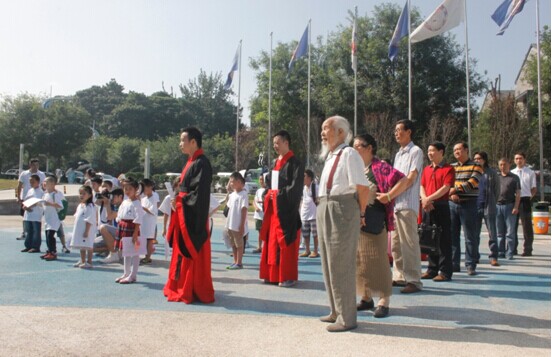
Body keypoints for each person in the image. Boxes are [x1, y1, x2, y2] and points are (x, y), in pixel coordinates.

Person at [317, 116, 372, 333]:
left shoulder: (349, 154)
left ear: (341, 132)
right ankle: (335, 310)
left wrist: (361, 213)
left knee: (341, 264)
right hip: (325, 206)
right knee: (328, 263)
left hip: (342, 208)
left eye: (326, 128)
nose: (322, 133)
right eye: (322, 129)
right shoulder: (330, 156)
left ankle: (347, 317)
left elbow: (362, 188)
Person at [353, 133, 406, 318]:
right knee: (360, 261)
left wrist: (389, 195)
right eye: (353, 145)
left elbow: (403, 179)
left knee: (378, 261)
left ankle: (384, 300)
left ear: (369, 148)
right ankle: (367, 297)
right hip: (356, 221)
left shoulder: (380, 167)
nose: (354, 149)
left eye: (358, 145)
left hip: (375, 220)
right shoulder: (355, 169)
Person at [164, 127, 215, 304]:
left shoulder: (202, 163)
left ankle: (192, 288)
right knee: (180, 252)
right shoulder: (191, 162)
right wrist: (177, 200)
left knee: (192, 253)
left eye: (182, 140)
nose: (180, 144)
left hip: (193, 217)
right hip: (183, 213)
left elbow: (199, 195)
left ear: (193, 142)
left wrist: (180, 202)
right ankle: (179, 285)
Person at [259, 130, 304, 288]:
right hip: (274, 210)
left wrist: (277, 195)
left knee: (283, 242)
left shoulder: (295, 163)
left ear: (286, 143)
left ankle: (286, 276)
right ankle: (271, 274)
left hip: (286, 211)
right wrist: (268, 194)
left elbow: (296, 188)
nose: (275, 146)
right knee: (271, 242)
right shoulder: (274, 162)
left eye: (278, 143)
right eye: (274, 144)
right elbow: (270, 184)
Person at [388, 119, 424, 294]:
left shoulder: (415, 151)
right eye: (395, 130)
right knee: (396, 244)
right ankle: (399, 275)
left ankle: (414, 280)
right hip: (396, 204)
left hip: (407, 203)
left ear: (409, 132)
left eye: (399, 130)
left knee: (409, 243)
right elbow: (395, 178)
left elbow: (410, 179)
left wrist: (390, 195)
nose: (396, 133)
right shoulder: (398, 154)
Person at [420, 142, 456, 281]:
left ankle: (445, 271)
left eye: (433, 151)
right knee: (429, 238)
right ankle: (431, 269)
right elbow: (422, 185)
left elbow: (446, 188)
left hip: (440, 206)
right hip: (427, 206)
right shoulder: (427, 169)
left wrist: (429, 199)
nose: (430, 153)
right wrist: (424, 199)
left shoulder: (448, 169)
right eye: (428, 151)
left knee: (444, 240)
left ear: (441, 152)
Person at [449, 142, 484, 276]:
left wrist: (455, 190)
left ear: (466, 150)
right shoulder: (451, 167)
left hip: (469, 204)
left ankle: (470, 264)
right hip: (452, 204)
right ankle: (454, 264)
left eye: (459, 149)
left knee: (470, 236)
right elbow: (447, 183)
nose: (457, 152)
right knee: (453, 236)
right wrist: (452, 195)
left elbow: (472, 183)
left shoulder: (476, 166)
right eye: (454, 150)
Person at [474, 151, 501, 266]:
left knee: (492, 233)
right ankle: (474, 256)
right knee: (474, 234)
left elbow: (497, 190)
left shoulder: (492, 173)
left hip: (488, 206)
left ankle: (494, 256)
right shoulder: (472, 172)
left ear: (484, 159)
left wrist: (493, 201)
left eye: (479, 158)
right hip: (475, 206)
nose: (477, 160)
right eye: (475, 159)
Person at [115, 178, 145, 284]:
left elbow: (139, 218)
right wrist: (119, 222)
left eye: (130, 189)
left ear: (136, 189)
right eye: (125, 188)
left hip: (132, 229)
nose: (127, 191)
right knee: (126, 252)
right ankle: (126, 273)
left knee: (135, 253)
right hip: (124, 228)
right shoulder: (125, 202)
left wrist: (135, 233)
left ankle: (133, 275)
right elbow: (119, 214)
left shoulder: (136, 203)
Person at [511, 152, 537, 257]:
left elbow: (534, 188)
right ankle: (512, 249)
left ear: (524, 160)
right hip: (513, 200)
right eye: (516, 158)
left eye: (520, 158)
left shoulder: (530, 172)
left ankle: (528, 249)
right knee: (512, 225)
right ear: (514, 160)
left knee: (527, 226)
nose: (518, 160)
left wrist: (528, 197)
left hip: (525, 200)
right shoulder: (512, 172)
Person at [496, 158, 521, 260]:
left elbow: (518, 194)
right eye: (501, 164)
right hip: (497, 206)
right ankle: (500, 251)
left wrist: (516, 206)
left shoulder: (514, 178)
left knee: (510, 232)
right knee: (499, 232)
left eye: (505, 164)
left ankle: (510, 252)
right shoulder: (496, 177)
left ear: (509, 165)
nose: (503, 166)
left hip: (509, 206)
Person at [16, 158, 46, 240]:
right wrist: (18, 197)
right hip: (26, 198)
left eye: (37, 165)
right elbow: (19, 186)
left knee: (36, 217)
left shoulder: (42, 174)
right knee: (25, 216)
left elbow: (44, 186)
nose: (35, 167)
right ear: (30, 165)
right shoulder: (24, 174)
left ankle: (35, 234)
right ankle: (24, 232)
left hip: (37, 199)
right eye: (34, 165)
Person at [224, 172, 249, 270]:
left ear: (239, 182)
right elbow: (228, 208)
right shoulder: (233, 195)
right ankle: (235, 261)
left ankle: (239, 263)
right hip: (230, 224)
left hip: (238, 225)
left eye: (232, 181)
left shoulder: (243, 195)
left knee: (239, 244)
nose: (230, 183)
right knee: (233, 244)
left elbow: (244, 210)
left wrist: (242, 225)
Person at [94, 188, 124, 263]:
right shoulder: (114, 205)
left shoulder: (123, 206)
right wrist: (102, 195)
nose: (112, 199)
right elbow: (96, 202)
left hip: (122, 233)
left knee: (103, 227)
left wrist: (107, 204)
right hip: (116, 232)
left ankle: (113, 254)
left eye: (114, 197)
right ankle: (111, 248)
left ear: (120, 197)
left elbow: (109, 217)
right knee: (91, 246)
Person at [71, 185, 97, 269]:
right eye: (80, 193)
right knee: (82, 245)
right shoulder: (81, 205)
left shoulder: (90, 207)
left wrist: (87, 231)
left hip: (87, 230)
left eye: (84, 194)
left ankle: (89, 262)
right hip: (80, 229)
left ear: (89, 195)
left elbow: (89, 220)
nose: (81, 195)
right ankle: (82, 260)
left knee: (88, 245)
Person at [41, 176, 64, 261]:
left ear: (52, 184)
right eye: (44, 182)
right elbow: (44, 205)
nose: (44, 184)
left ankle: (53, 252)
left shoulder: (55, 194)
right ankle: (49, 251)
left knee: (50, 236)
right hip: (47, 219)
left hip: (54, 219)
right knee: (47, 236)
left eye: (46, 182)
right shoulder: (45, 194)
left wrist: (49, 204)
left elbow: (60, 206)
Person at [20, 174, 45, 253]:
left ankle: (35, 247)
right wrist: (24, 206)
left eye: (33, 181)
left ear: (37, 182)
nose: (31, 183)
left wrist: (29, 205)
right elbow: (26, 200)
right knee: (29, 231)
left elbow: (38, 201)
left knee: (36, 231)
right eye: (30, 181)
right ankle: (28, 246)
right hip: (28, 214)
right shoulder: (30, 190)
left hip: (36, 215)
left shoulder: (40, 192)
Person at [299, 169, 319, 258]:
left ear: (309, 178)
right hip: (304, 214)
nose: (303, 178)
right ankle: (307, 250)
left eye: (304, 176)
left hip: (313, 214)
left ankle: (315, 251)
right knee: (305, 234)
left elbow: (320, 199)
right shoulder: (303, 188)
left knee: (315, 234)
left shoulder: (316, 187)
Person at [140, 179, 159, 265]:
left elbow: (153, 211)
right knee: (144, 239)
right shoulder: (144, 198)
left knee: (149, 239)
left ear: (151, 187)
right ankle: (146, 255)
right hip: (144, 222)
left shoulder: (154, 197)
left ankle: (148, 257)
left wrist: (141, 207)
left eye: (146, 187)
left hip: (150, 222)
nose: (144, 189)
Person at [252, 174, 266, 254]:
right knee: (259, 232)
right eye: (260, 180)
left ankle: (265, 247)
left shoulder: (268, 190)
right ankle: (259, 246)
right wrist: (256, 207)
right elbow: (254, 201)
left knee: (265, 232)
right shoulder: (258, 190)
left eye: (263, 180)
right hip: (258, 215)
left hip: (265, 215)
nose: (261, 181)